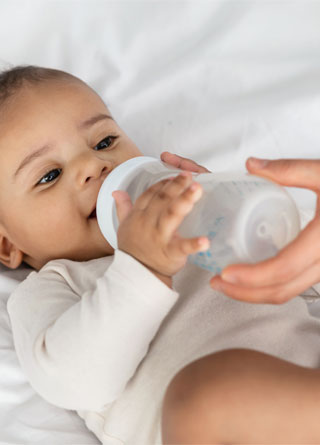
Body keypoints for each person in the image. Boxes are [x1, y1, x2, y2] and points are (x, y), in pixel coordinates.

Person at [1, 65, 319, 445]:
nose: (93, 166)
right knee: (207, 393)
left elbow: (302, 277)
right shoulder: (55, 286)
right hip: (219, 427)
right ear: (7, 245)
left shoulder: (198, 224)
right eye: (49, 175)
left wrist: (230, 209)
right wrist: (142, 269)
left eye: (103, 142)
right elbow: (73, 381)